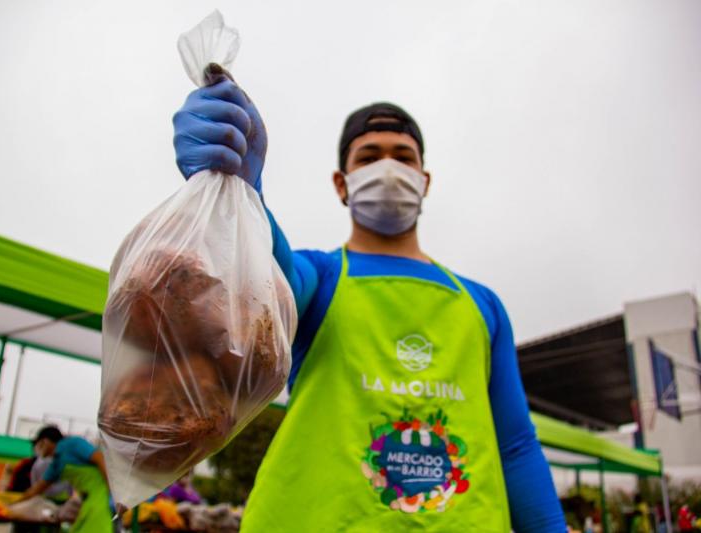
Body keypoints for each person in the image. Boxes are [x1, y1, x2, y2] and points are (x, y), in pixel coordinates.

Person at [171, 70, 566, 532]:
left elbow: (515, 445)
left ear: (424, 180)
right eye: (370, 157)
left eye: (403, 156)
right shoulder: (319, 278)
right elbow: (271, 277)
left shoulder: (483, 306)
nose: (389, 168)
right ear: (342, 184)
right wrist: (243, 194)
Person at [16, 426, 112, 533]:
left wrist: (111, 491)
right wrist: (13, 505)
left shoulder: (73, 443)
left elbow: (100, 458)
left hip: (102, 495)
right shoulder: (56, 464)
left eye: (38, 444)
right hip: (88, 500)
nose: (37, 448)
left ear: (46, 441)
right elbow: (37, 489)